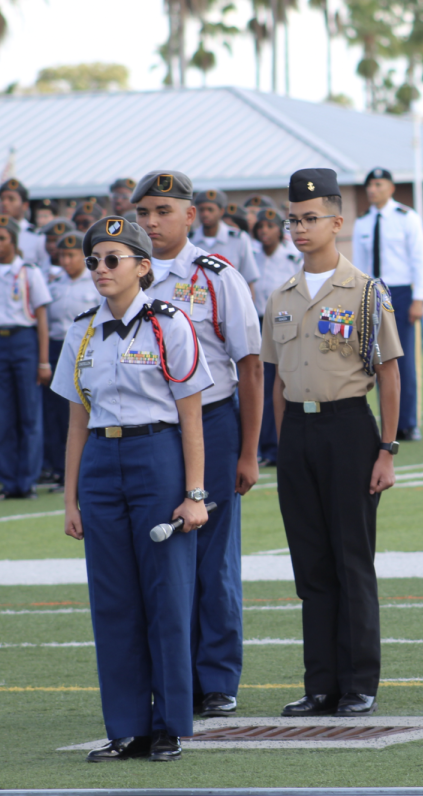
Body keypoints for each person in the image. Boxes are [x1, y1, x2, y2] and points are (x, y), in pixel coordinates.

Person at [52, 217, 212, 763]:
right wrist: (70, 498)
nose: (99, 268)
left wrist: (195, 493)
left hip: (156, 456)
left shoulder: (171, 323)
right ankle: (128, 726)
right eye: (93, 259)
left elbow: (192, 415)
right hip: (100, 460)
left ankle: (169, 724)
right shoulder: (81, 330)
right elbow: (76, 421)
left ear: (143, 267)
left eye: (112, 259)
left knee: (166, 596)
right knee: (113, 600)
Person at [260, 167, 402, 718]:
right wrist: (282, 444)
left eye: (309, 218)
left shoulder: (365, 292)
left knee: (351, 561)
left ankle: (358, 683)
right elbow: (275, 379)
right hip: (298, 432)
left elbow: (389, 372)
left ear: (337, 222)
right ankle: (320, 684)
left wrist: (386, 449)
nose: (298, 228)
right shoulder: (282, 295)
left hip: (348, 429)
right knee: (311, 565)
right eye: (291, 219)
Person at [137, 170, 264, 719]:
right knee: (162, 556)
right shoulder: (125, 273)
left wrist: (248, 451)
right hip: (152, 427)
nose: (151, 222)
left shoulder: (216, 276)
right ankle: (174, 674)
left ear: (190, 215)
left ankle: (215, 678)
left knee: (211, 558)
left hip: (211, 423)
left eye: (163, 211)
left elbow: (251, 366)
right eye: (143, 212)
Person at [352, 167, 423, 442]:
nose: (372, 189)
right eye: (369, 185)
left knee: (405, 359)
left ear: (391, 187)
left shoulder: (407, 218)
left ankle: (408, 423)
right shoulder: (362, 222)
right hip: (372, 293)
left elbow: (420, 259)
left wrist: (419, 298)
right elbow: (359, 267)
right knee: (377, 359)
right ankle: (388, 422)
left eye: (378, 184)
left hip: (401, 293)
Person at [0, 214, 52, 500]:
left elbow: (41, 317)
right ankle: (7, 482)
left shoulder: (29, 272)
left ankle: (27, 480)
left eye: (1, 238)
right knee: (2, 416)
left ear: (13, 241)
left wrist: (43, 361)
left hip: (24, 341)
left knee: (29, 415)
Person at [43, 231, 99, 488]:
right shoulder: (53, 283)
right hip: (57, 348)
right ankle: (58, 469)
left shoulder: (95, 283)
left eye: (71, 255)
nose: (65, 261)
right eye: (62, 255)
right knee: (56, 414)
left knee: (81, 413)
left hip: (85, 352)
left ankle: (83, 469)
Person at [251, 207, 303, 467]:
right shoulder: (252, 257)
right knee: (261, 384)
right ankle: (261, 447)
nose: (264, 232)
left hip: (285, 323)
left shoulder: (293, 258)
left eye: (269, 226)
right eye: (260, 227)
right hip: (259, 322)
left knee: (281, 384)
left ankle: (276, 446)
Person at [192, 189, 261, 290]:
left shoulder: (238, 239)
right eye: (202, 210)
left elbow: (249, 281)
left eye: (210, 210)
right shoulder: (190, 239)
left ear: (221, 211)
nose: (205, 214)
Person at [0, 179, 50, 268]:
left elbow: (45, 269)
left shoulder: (37, 237)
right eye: (2, 199)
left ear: (25, 205)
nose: (4, 203)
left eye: (11, 199)